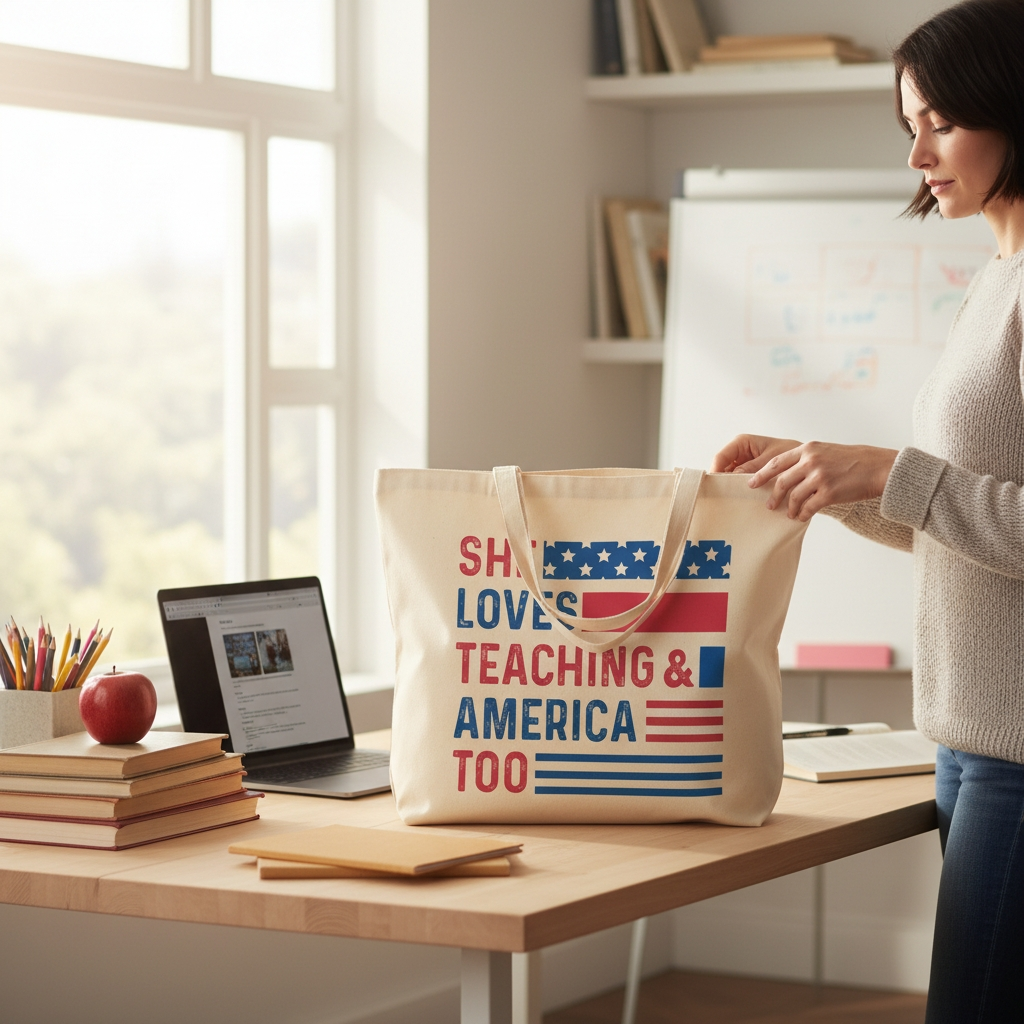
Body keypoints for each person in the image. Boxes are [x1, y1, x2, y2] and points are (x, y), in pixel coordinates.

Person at [711, 3, 1024, 1021]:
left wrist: (892, 470)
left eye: (938, 122)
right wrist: (829, 482)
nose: (917, 155)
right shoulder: (994, 278)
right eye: (908, 128)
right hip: (970, 741)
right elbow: (956, 528)